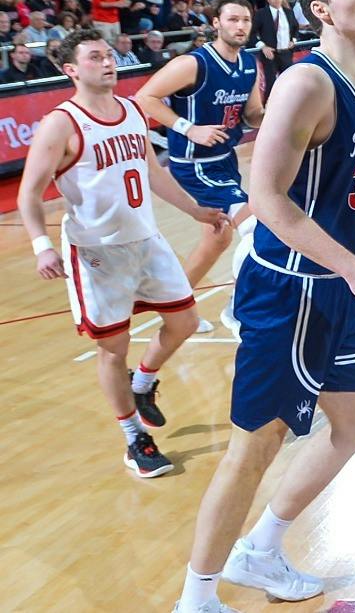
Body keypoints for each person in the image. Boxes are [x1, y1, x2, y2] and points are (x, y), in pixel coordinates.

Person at [172, 0, 355, 613]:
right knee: (256, 444)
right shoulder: (306, 83)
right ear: (320, 10)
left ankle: (260, 548)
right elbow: (265, 196)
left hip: (333, 286)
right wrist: (353, 266)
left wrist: (347, 271)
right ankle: (197, 596)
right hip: (290, 289)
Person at [19, 30, 229, 480]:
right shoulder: (62, 122)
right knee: (112, 349)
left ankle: (144, 381)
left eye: (110, 55)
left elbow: (153, 173)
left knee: (186, 321)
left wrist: (195, 211)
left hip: (146, 241)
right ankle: (135, 438)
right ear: (71, 70)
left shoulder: (132, 109)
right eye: (95, 57)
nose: (108, 62)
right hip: (98, 254)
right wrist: (41, 247)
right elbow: (29, 193)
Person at [135, 0, 264, 329]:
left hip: (225, 161)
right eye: (233, 19)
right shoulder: (194, 64)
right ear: (216, 23)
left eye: (246, 20)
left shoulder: (250, 63)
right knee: (256, 228)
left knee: (217, 238)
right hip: (194, 165)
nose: (240, 26)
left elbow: (253, 115)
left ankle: (175, 309)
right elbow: (144, 97)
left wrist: (285, 116)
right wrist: (188, 128)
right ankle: (238, 309)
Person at [250, 0, 295, 95]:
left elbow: (295, 28)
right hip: (270, 55)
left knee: (290, 84)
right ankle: (268, 109)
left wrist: (293, 40)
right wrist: (262, 46)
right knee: (271, 84)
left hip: (286, 53)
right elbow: (250, 33)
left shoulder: (289, 12)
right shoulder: (261, 13)